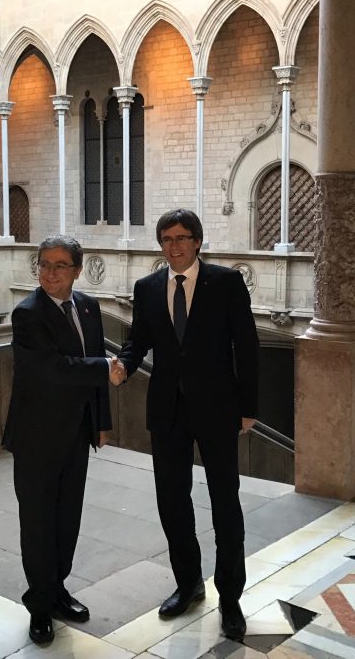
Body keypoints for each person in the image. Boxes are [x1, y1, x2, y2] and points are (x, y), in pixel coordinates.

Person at [112, 208, 259, 641]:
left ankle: (230, 597)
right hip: (168, 411)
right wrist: (124, 364)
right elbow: (139, 339)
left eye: (181, 238)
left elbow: (247, 345)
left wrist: (248, 406)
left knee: (225, 504)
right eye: (166, 239)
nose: (174, 246)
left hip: (218, 409)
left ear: (197, 241)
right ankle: (189, 583)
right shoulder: (147, 287)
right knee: (172, 501)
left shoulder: (226, 282)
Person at [3, 235, 113, 646]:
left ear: (77, 270)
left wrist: (101, 422)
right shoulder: (27, 313)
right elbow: (52, 368)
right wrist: (106, 366)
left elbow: (94, 372)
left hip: (77, 432)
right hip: (36, 437)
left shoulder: (88, 306)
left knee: (67, 519)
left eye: (60, 265)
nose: (50, 272)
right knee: (38, 523)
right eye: (44, 264)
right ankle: (39, 605)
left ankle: (58, 589)